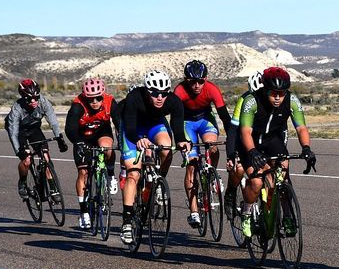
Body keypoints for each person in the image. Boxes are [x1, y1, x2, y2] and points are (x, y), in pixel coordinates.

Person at [238, 67, 316, 238]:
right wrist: (252, 151)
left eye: (282, 93)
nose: (278, 97)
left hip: (272, 140)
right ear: (265, 89)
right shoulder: (252, 100)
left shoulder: (292, 100)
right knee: (256, 182)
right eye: (274, 93)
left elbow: (301, 128)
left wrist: (306, 148)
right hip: (249, 142)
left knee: (283, 175)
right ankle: (246, 213)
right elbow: (245, 131)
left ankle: (287, 216)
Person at [118, 70, 189, 244]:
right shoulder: (135, 97)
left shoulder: (174, 101)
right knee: (133, 174)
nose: (160, 97)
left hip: (154, 125)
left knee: (166, 148)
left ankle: (158, 182)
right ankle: (127, 223)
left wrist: (182, 141)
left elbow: (177, 128)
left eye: (164, 93)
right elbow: (129, 127)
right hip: (133, 128)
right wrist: (138, 140)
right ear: (147, 91)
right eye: (155, 93)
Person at [173, 60, 232, 228]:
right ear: (186, 80)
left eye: (201, 81)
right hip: (186, 123)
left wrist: (233, 139)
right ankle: (194, 212)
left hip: (205, 120)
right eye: (193, 81)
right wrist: (180, 140)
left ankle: (212, 174)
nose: (197, 85)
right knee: (191, 164)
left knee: (211, 145)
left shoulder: (212, 89)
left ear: (206, 78)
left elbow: (224, 117)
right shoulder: (179, 91)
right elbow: (175, 120)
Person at [64, 78, 119, 229]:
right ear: (85, 97)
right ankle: (83, 212)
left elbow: (119, 123)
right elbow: (70, 129)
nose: (95, 102)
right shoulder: (77, 105)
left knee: (107, 148)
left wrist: (122, 140)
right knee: (83, 172)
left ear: (103, 95)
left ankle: (110, 174)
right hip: (82, 136)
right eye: (90, 99)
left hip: (102, 132)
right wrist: (78, 143)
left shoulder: (110, 101)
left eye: (98, 98)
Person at [5, 79, 68, 200]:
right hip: (19, 131)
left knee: (45, 156)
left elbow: (53, 123)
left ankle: (53, 187)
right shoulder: (17, 109)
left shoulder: (44, 102)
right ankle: (22, 182)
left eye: (36, 97)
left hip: (34, 128)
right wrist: (19, 151)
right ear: (23, 98)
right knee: (27, 159)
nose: (33, 101)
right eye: (29, 99)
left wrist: (60, 139)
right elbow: (13, 133)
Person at [223, 71, 268, 219]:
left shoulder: (271, 100)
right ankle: (230, 192)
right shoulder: (244, 100)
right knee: (239, 168)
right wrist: (231, 155)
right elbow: (233, 130)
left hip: (260, 139)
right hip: (242, 137)